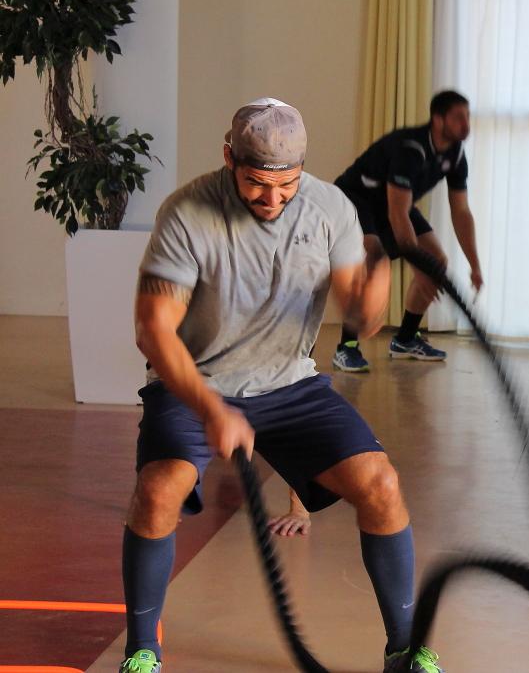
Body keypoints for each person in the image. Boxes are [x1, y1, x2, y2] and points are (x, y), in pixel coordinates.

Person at [119, 98, 444, 673]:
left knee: (382, 485)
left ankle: (405, 649)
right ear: (229, 158)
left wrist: (370, 302)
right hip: (196, 381)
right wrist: (211, 409)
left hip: (290, 385)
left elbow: (357, 312)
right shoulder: (188, 212)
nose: (272, 201)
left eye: (285, 186)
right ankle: (142, 650)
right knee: (159, 489)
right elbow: (153, 331)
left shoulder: (329, 208)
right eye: (256, 185)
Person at [331, 90, 483, 372]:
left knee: (437, 261)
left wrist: (474, 265)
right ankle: (346, 347)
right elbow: (397, 214)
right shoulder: (411, 149)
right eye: (458, 117)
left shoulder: (456, 155)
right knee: (372, 257)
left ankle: (404, 339)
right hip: (357, 197)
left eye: (468, 116)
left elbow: (461, 212)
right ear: (438, 120)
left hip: (394, 201)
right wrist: (417, 266)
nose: (466, 124)